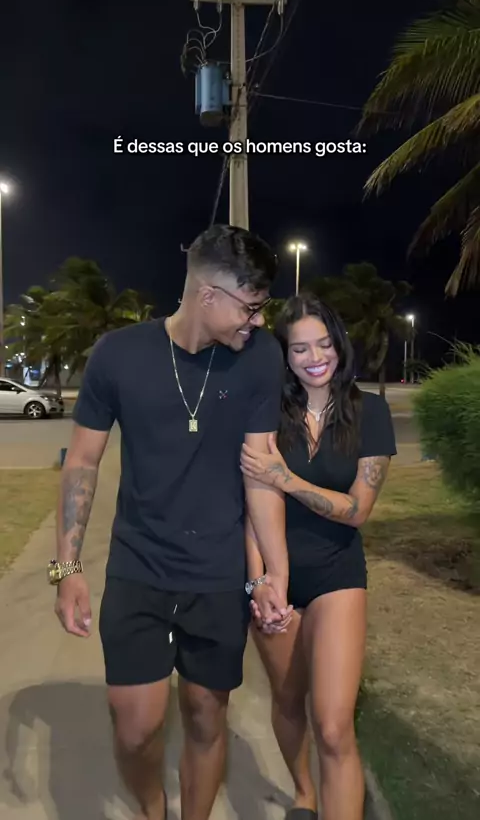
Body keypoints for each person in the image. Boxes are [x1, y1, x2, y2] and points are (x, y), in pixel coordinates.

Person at [49, 224, 293, 820]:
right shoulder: (118, 354)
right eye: (251, 307)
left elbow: (261, 473)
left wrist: (273, 575)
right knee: (136, 729)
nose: (258, 320)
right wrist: (66, 568)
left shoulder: (261, 356)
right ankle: (153, 807)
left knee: (207, 715)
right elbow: (82, 463)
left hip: (217, 574)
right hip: (139, 569)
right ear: (208, 294)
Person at [241, 293, 396, 820]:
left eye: (324, 344)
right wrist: (259, 582)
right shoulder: (265, 412)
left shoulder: (369, 412)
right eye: (300, 348)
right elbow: (251, 507)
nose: (315, 358)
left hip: (337, 574)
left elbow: (357, 509)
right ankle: (304, 795)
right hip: (274, 580)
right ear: (284, 355)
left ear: (340, 346)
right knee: (288, 702)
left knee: (332, 724)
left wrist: (286, 478)